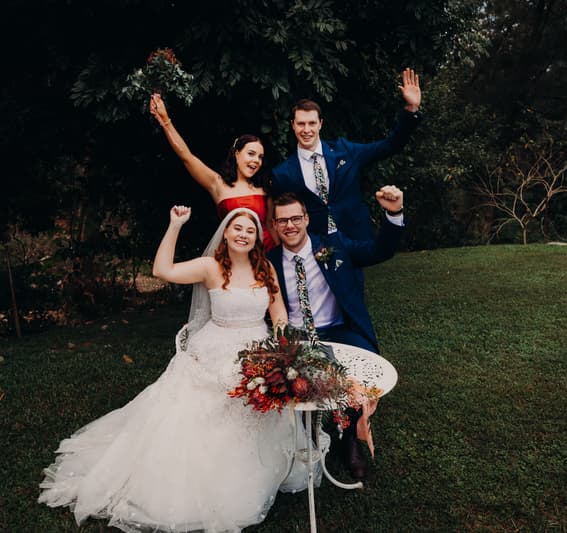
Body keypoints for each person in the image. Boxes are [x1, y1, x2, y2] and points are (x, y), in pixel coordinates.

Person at [38, 207, 312, 532]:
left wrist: (280, 347)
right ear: (226, 233)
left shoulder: (263, 267)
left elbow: (278, 311)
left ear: (257, 238)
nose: (242, 234)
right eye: (237, 228)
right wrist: (175, 225)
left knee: (260, 405)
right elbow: (162, 270)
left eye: (249, 230)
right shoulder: (211, 267)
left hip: (258, 347)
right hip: (216, 347)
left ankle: (257, 469)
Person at [267, 185, 406, 479]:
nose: (289, 225)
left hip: (339, 329)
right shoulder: (270, 261)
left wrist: (394, 214)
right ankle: (307, 437)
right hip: (298, 336)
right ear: (275, 225)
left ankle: (350, 435)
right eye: (282, 221)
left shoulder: (335, 245)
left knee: (365, 368)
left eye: (295, 218)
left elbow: (379, 250)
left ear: (306, 219)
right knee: (291, 380)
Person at [271, 68, 421, 240]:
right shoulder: (282, 173)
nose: (307, 130)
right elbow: (281, 218)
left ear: (320, 124)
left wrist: (411, 109)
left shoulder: (345, 151)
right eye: (301, 124)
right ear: (293, 125)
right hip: (315, 249)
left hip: (355, 241)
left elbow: (390, 145)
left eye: (312, 123)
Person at [149, 93, 278, 250]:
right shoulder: (218, 184)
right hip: (234, 256)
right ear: (237, 154)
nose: (256, 160)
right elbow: (187, 157)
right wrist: (165, 120)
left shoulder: (264, 188)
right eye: (251, 154)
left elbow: (271, 226)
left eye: (260, 157)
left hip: (267, 254)